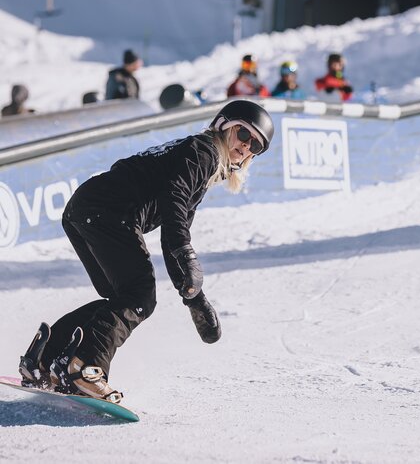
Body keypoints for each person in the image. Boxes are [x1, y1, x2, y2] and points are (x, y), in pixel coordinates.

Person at [18, 99, 274, 403]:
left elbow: (173, 226)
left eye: (255, 146)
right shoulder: (203, 151)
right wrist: (187, 252)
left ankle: (46, 360)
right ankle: (86, 367)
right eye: (243, 135)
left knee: (124, 296)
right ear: (224, 126)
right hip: (110, 210)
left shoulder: (197, 159)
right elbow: (175, 202)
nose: (246, 147)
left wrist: (193, 296)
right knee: (139, 295)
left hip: (88, 207)